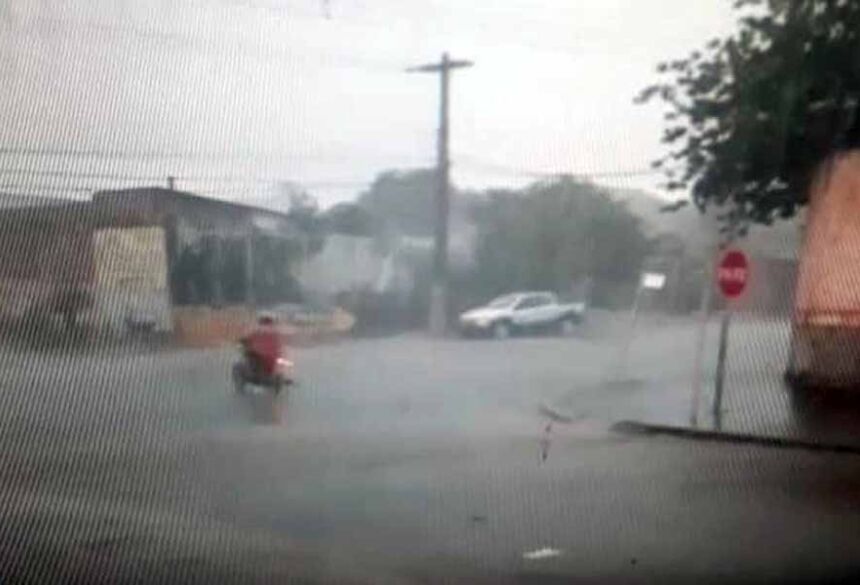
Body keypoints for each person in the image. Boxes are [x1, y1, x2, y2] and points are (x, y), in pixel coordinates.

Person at [241, 313, 283, 380]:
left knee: (250, 357)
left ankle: (252, 374)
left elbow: (248, 338)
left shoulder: (258, 330)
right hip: (270, 355)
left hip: (260, 354)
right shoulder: (275, 331)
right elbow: (279, 343)